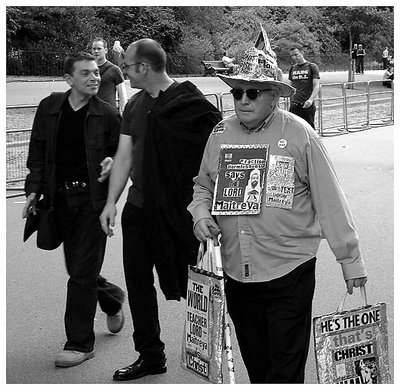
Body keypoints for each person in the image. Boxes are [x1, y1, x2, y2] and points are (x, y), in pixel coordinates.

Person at [188, 31, 367, 384]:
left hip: (290, 269)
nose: (242, 99)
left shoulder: (300, 135)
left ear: (273, 96)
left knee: (285, 368)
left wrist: (350, 260)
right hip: (237, 271)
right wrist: (200, 213)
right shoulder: (220, 134)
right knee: (257, 364)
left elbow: (330, 202)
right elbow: (202, 185)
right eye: (236, 91)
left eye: (252, 92)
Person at [99, 38, 222, 381]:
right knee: (138, 283)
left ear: (144, 67)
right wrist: (112, 202)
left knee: (203, 281)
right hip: (139, 207)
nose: (124, 72)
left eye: (127, 67)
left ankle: (216, 347)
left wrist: (210, 209)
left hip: (182, 210)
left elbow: (216, 159)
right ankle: (150, 355)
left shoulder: (191, 103)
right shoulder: (135, 106)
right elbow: (124, 157)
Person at [22, 52, 125, 368]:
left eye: (96, 72)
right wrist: (32, 191)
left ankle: (79, 343)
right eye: (86, 74)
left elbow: (123, 153)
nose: (95, 77)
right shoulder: (49, 108)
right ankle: (112, 299)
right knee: (79, 271)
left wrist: (112, 160)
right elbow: (38, 152)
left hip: (92, 203)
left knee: (80, 274)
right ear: (69, 79)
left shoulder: (107, 114)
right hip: (58, 202)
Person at [288, 43, 320, 129]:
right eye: (292, 56)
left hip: (307, 104)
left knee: (309, 130)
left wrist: (311, 100)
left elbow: (316, 85)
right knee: (293, 130)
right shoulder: (292, 68)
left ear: (302, 52)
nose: (294, 57)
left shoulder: (312, 67)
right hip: (294, 105)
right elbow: (292, 86)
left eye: (296, 54)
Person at [91, 37, 127, 113]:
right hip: (92, 114)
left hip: (109, 115)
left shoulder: (114, 70)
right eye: (94, 49)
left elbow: (122, 95)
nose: (96, 51)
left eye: (99, 49)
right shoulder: (88, 70)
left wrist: (122, 115)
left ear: (106, 50)